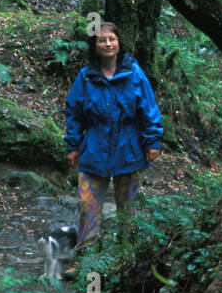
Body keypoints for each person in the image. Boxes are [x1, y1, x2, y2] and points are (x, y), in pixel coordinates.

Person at [64, 21, 162, 251]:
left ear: (119, 43)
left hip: (129, 147)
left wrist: (152, 141)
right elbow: (74, 113)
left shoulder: (134, 73)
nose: (108, 44)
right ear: (95, 45)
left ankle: (126, 254)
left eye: (112, 39)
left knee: (128, 207)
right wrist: (72, 145)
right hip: (94, 147)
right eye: (101, 40)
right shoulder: (86, 77)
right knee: (88, 205)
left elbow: (148, 109)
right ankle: (87, 257)